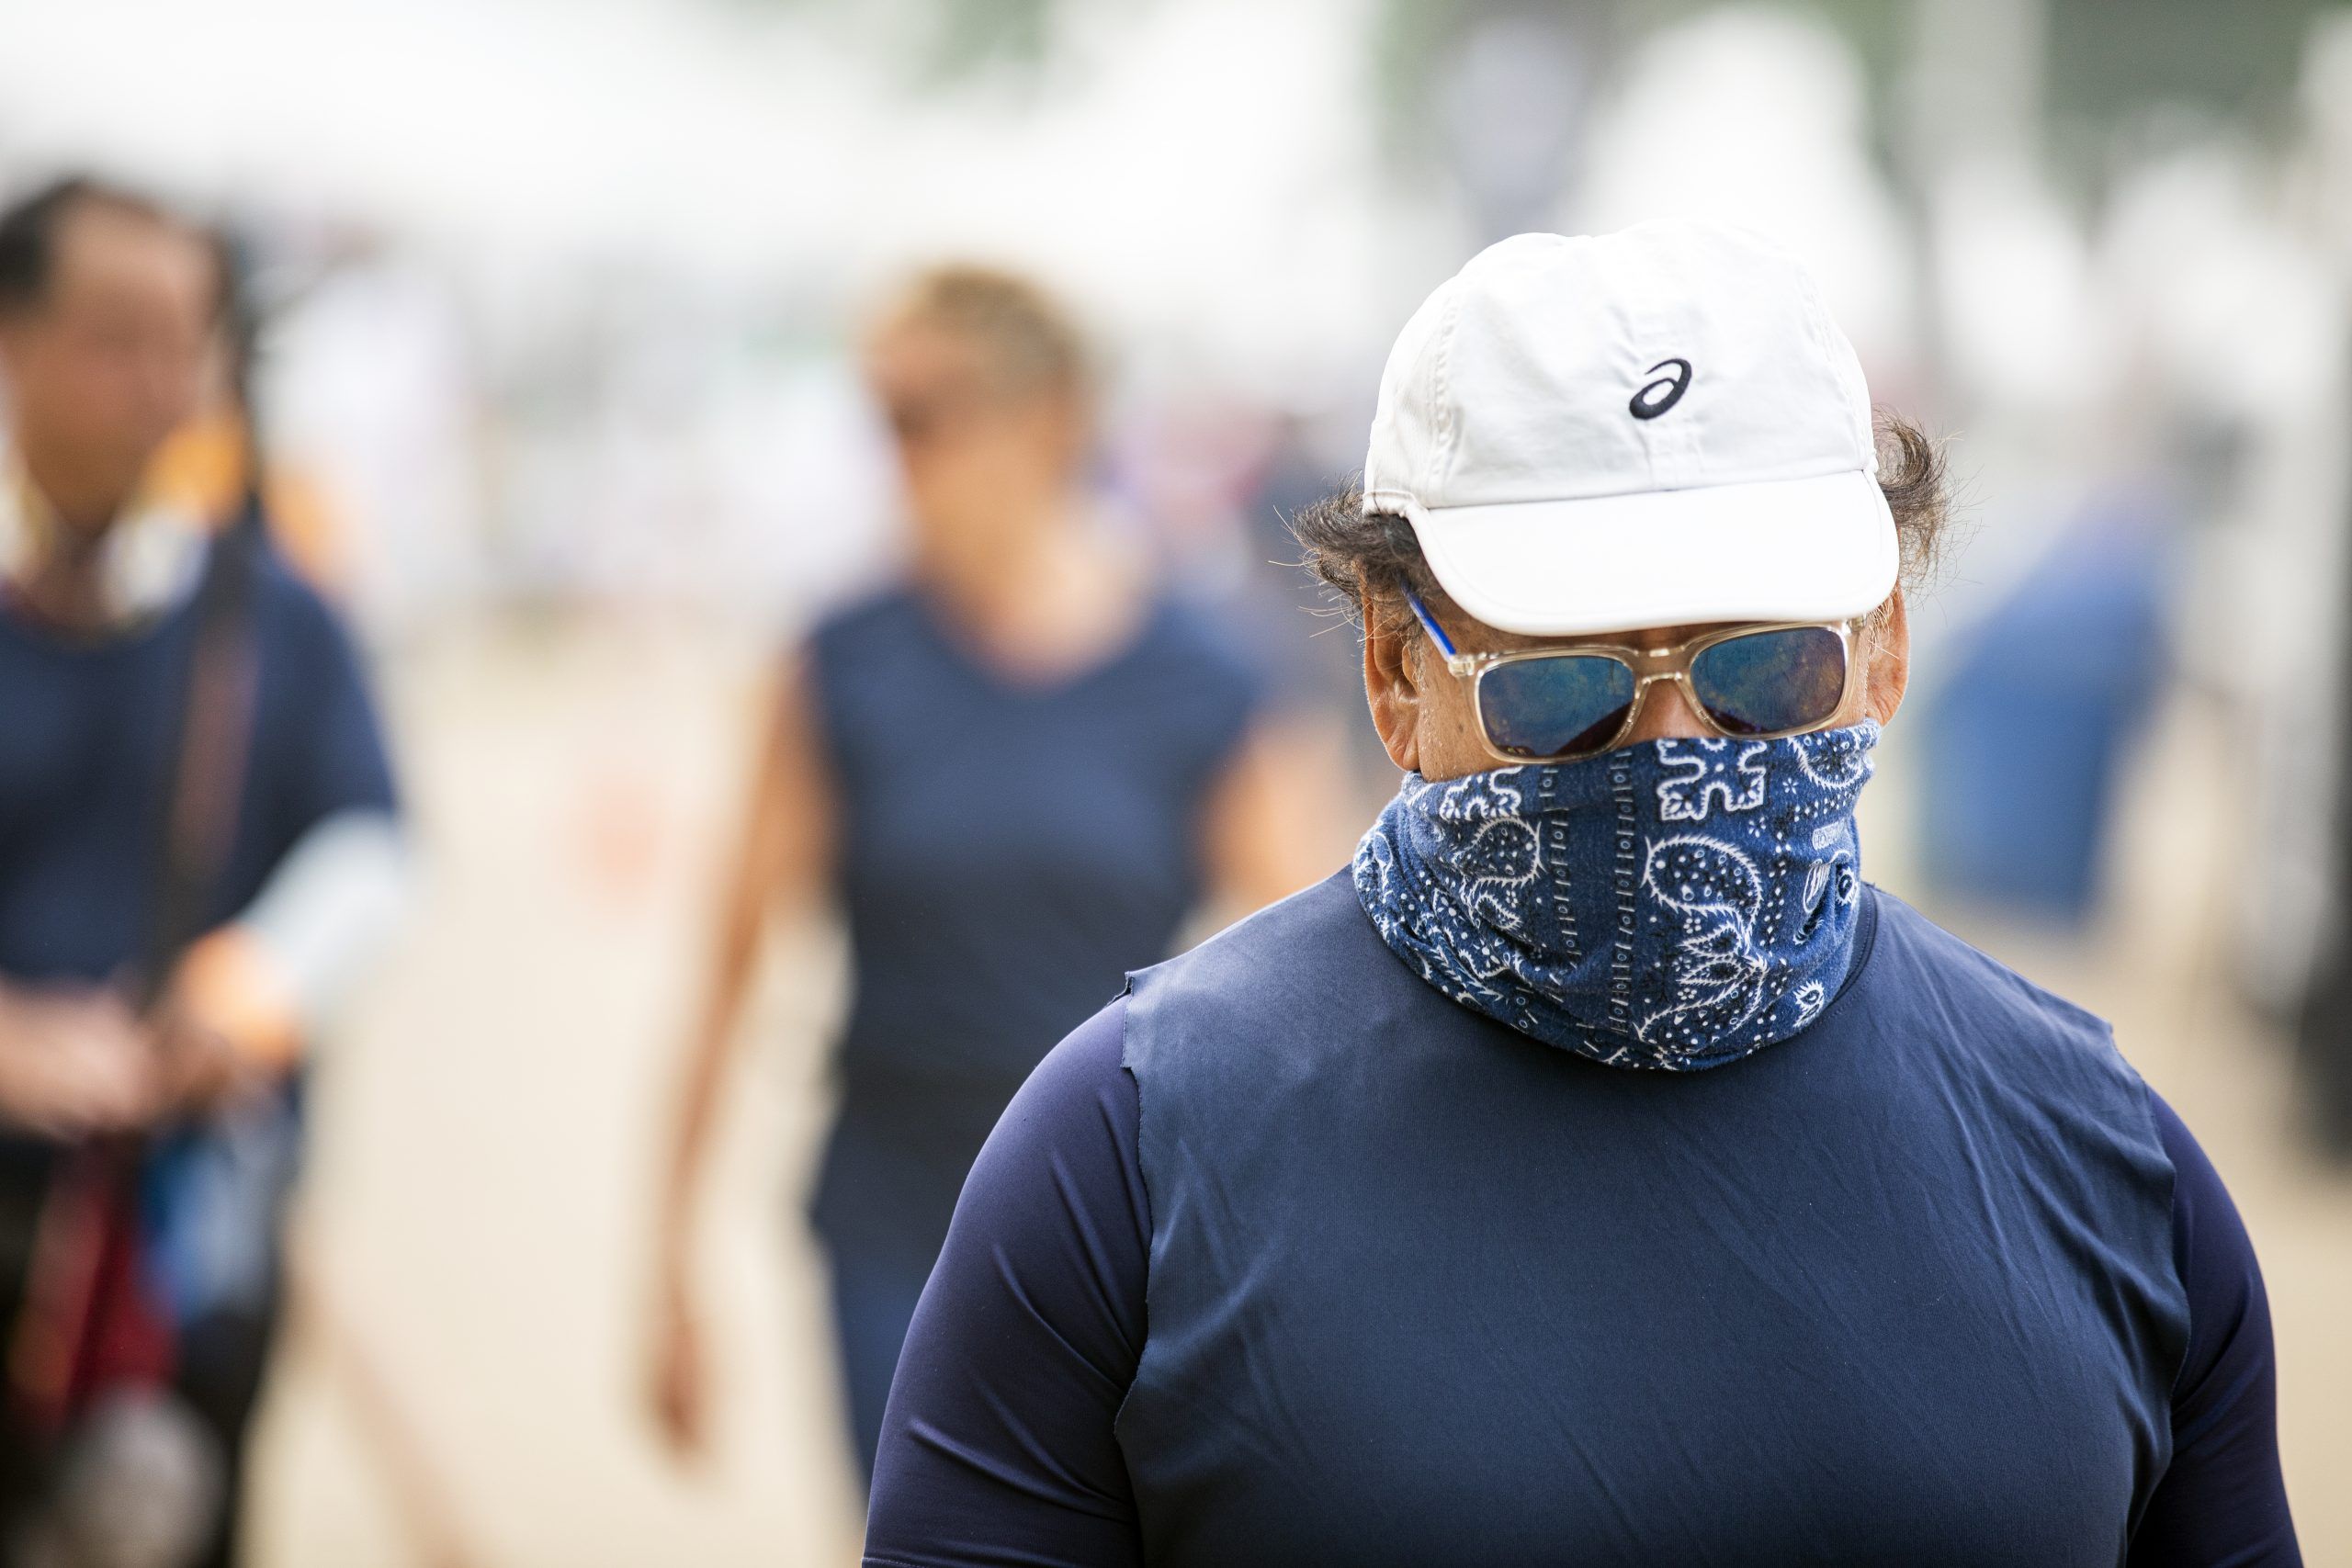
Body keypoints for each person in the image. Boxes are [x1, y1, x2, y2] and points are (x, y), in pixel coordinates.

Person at [864, 223, 2300, 1564]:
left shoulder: (2118, 1179)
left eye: (1762, 671)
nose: (1677, 752)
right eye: (1564, 686)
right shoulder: (1124, 1162)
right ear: (1391, 670)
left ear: (1885, 650)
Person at [647, 265, 1340, 1483]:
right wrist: (667, 1264)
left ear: (1052, 418)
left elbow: (1323, 999)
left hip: (1125, 1225)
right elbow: (727, 966)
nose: (897, 454)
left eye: (927, 416)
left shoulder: (1206, 683)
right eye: (880, 417)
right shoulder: (840, 666)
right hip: (891, 1217)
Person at [0, 177, 406, 1568]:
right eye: (116, 338)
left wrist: (245, 995)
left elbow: (367, 844)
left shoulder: (270, 616)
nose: (161, 384)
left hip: (175, 1253)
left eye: (189, 341)